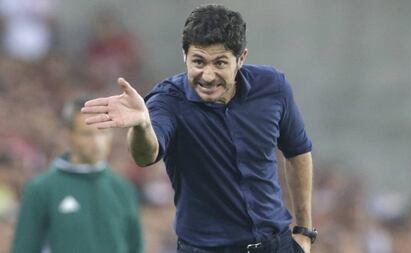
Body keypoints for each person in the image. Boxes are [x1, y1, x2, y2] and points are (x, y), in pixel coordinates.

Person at [82, 4, 316, 253]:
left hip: (276, 245)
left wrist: (304, 230)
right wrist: (141, 125)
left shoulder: (272, 87)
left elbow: (298, 151)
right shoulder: (168, 101)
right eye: (198, 61)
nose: (207, 75)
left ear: (241, 59)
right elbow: (146, 155)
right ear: (184, 55)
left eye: (220, 63)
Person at [12, 97, 144, 253]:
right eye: (87, 134)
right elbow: (24, 247)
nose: (97, 142)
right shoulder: (40, 189)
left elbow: (135, 247)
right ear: (68, 134)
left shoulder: (123, 188)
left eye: (104, 132)